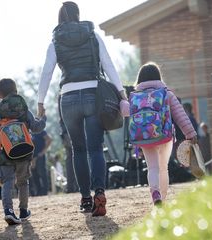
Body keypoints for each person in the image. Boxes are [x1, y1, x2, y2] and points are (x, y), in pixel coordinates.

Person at [37, 2, 126, 216]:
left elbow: (47, 72)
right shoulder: (92, 35)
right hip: (92, 96)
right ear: (78, 15)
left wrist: (40, 102)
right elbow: (108, 64)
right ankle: (99, 192)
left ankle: (85, 199)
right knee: (96, 148)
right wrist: (121, 91)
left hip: (67, 98)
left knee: (78, 150)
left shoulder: (55, 40)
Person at [123, 62, 197, 205]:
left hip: (144, 137)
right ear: (158, 77)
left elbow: (126, 111)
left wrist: (120, 101)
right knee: (164, 168)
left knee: (152, 167)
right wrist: (190, 133)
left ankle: (155, 192)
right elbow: (180, 115)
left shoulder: (136, 97)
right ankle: (162, 198)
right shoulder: (166, 93)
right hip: (164, 136)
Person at [0, 78, 46, 225]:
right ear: (16, 91)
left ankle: (8, 212)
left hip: (4, 153)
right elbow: (36, 128)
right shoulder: (24, 109)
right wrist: (43, 117)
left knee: (7, 181)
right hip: (24, 152)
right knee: (23, 182)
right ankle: (24, 211)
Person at [58, 95, 78, 193]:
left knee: (70, 158)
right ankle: (74, 186)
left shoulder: (61, 95)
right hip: (72, 129)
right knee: (75, 156)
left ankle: (72, 186)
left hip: (66, 131)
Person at [30, 130, 52, 196]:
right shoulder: (28, 131)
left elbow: (49, 139)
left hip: (40, 156)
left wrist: (43, 152)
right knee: (34, 175)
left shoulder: (40, 130)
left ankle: (45, 192)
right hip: (31, 157)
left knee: (42, 174)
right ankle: (38, 192)